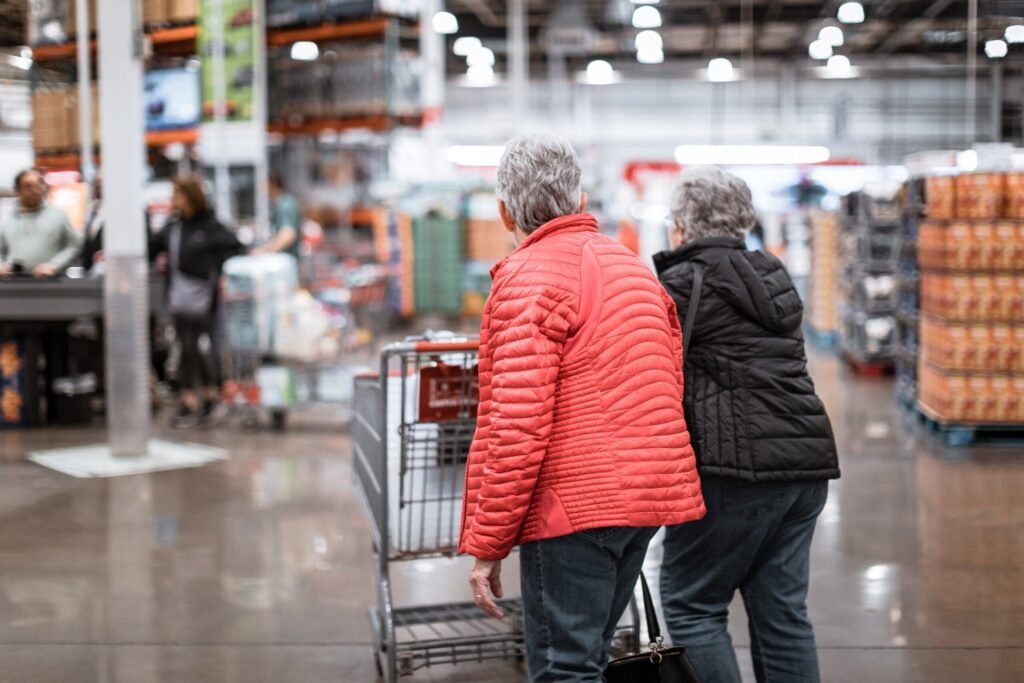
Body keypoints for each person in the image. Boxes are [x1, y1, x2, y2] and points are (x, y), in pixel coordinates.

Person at [460, 133, 706, 682]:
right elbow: (667, 378)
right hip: (644, 501)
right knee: (590, 658)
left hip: (574, 508)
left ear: (505, 212)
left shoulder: (527, 278)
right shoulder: (634, 268)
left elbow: (516, 428)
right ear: (580, 200)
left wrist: (487, 544)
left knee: (565, 669)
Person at [653, 167, 840, 683]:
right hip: (804, 465)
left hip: (734, 468)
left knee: (693, 605)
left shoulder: (682, 283)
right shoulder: (771, 274)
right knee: (782, 614)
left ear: (683, 225)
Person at [150, 176, 244, 428]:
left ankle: (211, 398)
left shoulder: (210, 225)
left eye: (177, 194)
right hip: (178, 299)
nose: (173, 199)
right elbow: (152, 246)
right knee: (186, 350)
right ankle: (190, 401)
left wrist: (224, 274)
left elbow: (236, 248)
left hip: (205, 299)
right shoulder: (173, 225)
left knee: (206, 351)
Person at [0, 169, 83, 278]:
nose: (35, 190)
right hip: (13, 282)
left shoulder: (58, 215)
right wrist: (1, 266)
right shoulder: (6, 218)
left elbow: (74, 245)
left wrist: (54, 265)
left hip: (50, 283)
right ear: (18, 191)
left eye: (39, 183)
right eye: (28, 186)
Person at [253, 175, 300, 257]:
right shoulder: (282, 203)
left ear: (273, 184)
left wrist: (265, 251)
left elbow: (288, 235)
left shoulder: (285, 204)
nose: (261, 189)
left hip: (286, 259)